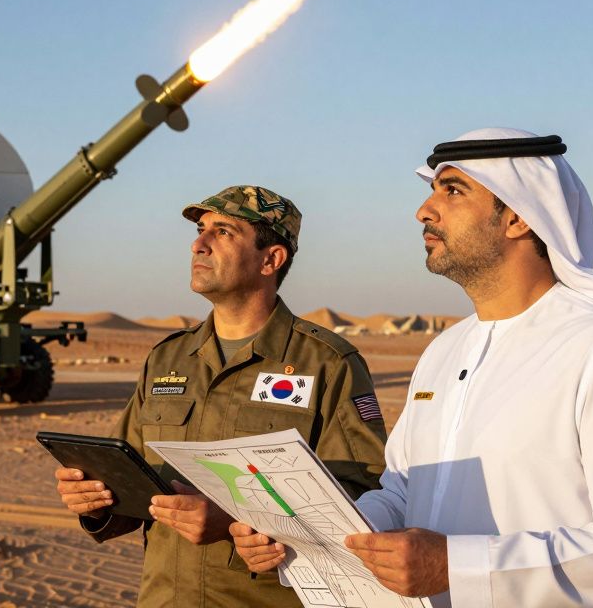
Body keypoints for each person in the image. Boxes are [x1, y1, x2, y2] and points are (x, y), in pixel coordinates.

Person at [232, 130, 593, 607]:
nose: (424, 211)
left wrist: (454, 566)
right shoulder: (444, 351)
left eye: (454, 190)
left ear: (519, 218)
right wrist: (311, 536)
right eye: (431, 191)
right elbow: (402, 490)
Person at [54, 185, 389, 607]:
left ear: (271, 259)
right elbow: (137, 480)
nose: (199, 244)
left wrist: (237, 521)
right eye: (200, 229)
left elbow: (367, 502)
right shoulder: (168, 358)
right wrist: (97, 501)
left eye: (224, 232)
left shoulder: (326, 363)